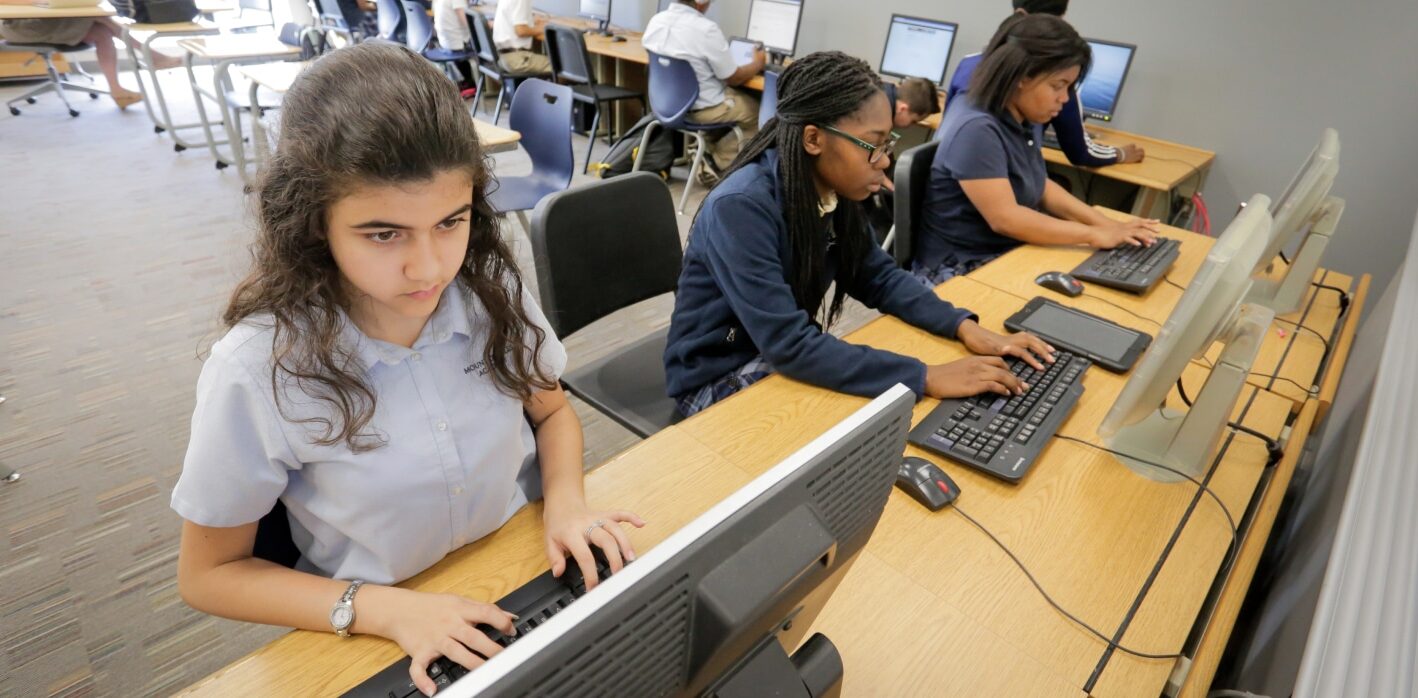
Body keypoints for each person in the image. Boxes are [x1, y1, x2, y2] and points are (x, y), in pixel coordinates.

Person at [172, 43, 643, 698]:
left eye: (451, 222)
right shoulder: (259, 369)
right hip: (382, 619)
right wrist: (387, 611)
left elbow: (552, 410)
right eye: (383, 233)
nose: (429, 268)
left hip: (519, 566)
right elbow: (208, 575)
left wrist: (566, 503)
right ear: (314, 225)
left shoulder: (487, 287)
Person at [663, 50, 1056, 418]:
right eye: (873, 145)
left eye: (888, 144)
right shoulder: (741, 206)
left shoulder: (830, 189)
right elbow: (790, 345)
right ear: (814, 139)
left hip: (772, 350)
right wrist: (926, 376)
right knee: (868, 436)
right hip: (716, 374)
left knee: (888, 420)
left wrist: (964, 327)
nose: (884, 161)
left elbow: (878, 276)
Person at [912, 14, 1160, 285]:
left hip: (1001, 252)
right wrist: (1092, 234)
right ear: (1021, 77)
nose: (1064, 99)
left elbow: (1039, 185)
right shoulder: (976, 128)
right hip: (960, 270)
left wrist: (1105, 224)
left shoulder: (1021, 118)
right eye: (1058, 86)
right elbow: (1006, 219)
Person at [944, 0, 1143, 168]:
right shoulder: (980, 129)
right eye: (1058, 85)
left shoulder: (969, 63)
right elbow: (1080, 152)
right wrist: (1121, 154)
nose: (1063, 96)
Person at [642, 0, 765, 181]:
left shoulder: (656, 21)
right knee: (759, 114)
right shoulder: (706, 29)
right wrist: (758, 62)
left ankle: (703, 152)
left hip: (664, 106)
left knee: (728, 99)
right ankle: (716, 160)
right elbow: (734, 77)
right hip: (701, 110)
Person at [0, 3, 182, 110]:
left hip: (46, 20)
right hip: (19, 26)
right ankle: (150, 56)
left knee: (102, 30)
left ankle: (117, 90)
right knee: (101, 19)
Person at [492, 0, 550, 73]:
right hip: (517, 59)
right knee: (559, 68)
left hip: (503, 58)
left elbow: (513, 21)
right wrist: (541, 28)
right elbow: (521, 31)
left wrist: (531, 21)